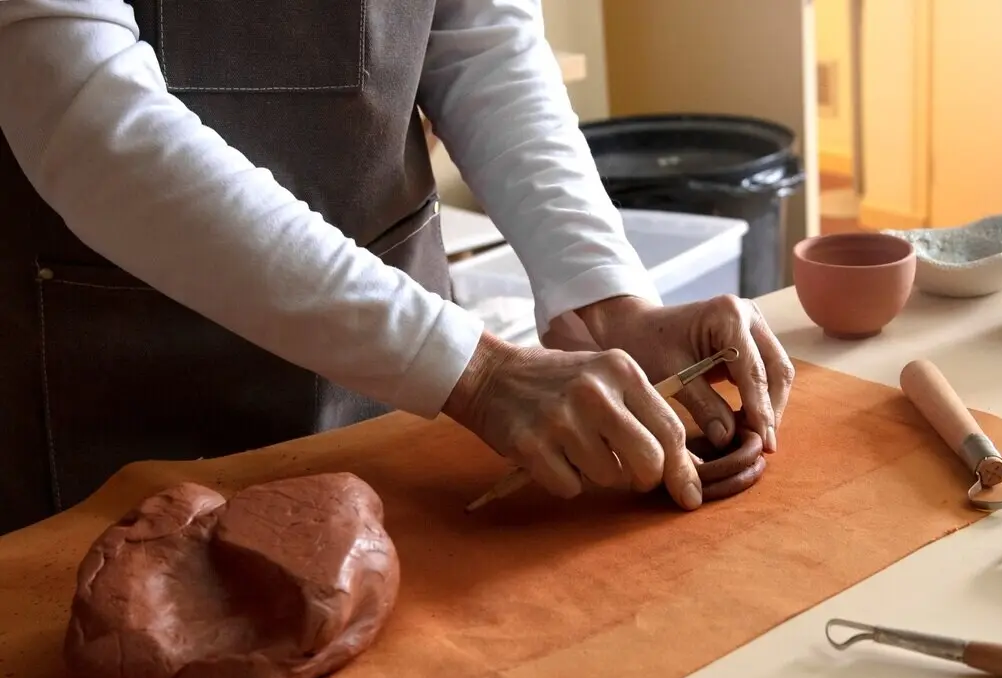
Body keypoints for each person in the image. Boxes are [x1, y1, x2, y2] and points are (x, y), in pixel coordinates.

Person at [0, 0, 795, 536]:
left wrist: (603, 296)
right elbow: (79, 105)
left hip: (396, 400)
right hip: (107, 381)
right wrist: (476, 373)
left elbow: (481, 40)